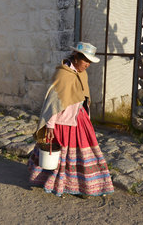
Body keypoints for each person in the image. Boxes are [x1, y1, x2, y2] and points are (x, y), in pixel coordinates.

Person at [28, 41, 114, 197]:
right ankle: (52, 181)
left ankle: (81, 186)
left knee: (81, 153)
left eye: (90, 61)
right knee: (57, 154)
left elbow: (83, 97)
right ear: (76, 56)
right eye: (85, 60)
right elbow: (53, 103)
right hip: (62, 122)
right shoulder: (63, 74)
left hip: (79, 120)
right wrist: (50, 125)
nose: (87, 64)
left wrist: (86, 118)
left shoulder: (82, 73)